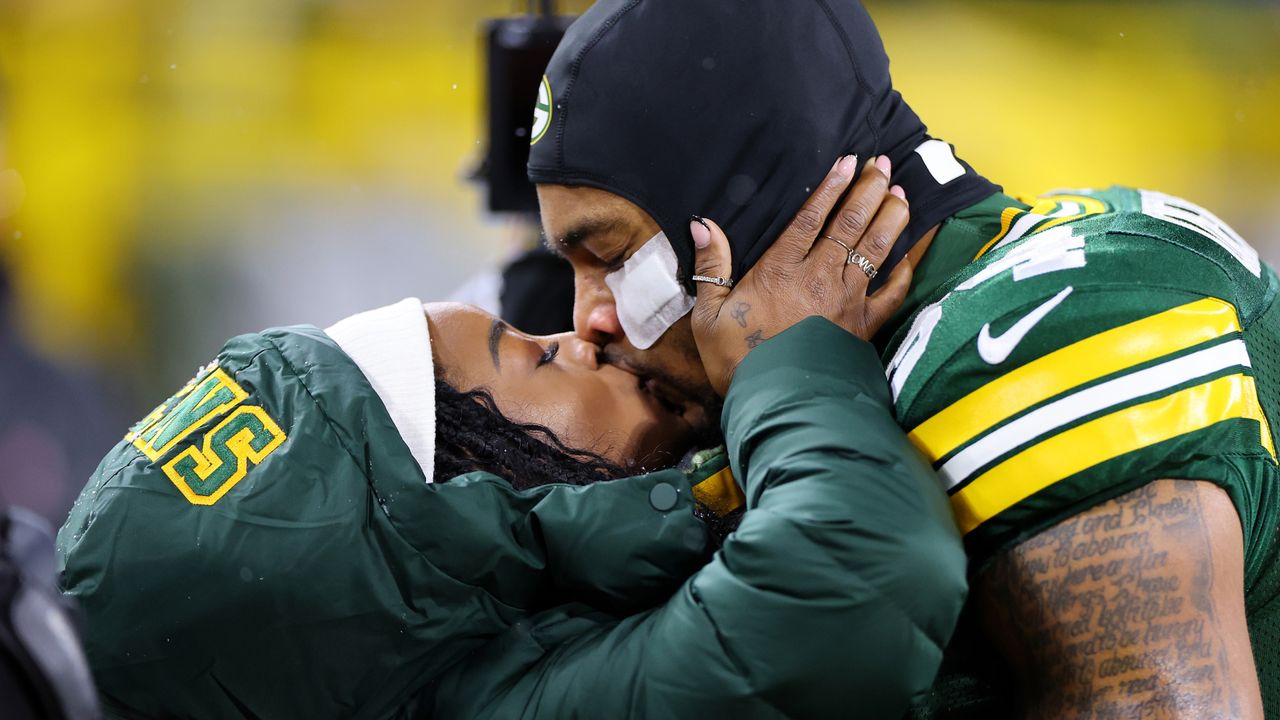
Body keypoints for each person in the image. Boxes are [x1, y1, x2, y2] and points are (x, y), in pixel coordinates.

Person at [525, 1, 1279, 717]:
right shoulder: (970, 301)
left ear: (744, 212)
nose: (588, 319)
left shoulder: (1034, 336)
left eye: (612, 256)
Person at [57, 178, 966, 718]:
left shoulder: (496, 658)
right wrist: (794, 361)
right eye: (530, 353)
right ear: (455, 497)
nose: (587, 335)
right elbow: (855, 572)